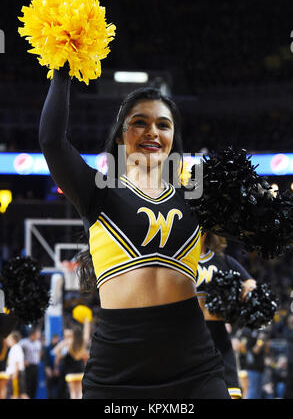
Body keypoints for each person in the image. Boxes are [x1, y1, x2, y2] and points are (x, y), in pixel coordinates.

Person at [39, 65, 231, 399]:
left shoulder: (198, 196)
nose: (152, 132)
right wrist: (61, 72)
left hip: (193, 365)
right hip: (117, 368)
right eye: (139, 122)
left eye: (163, 124)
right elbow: (51, 142)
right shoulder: (96, 191)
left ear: (173, 138)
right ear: (119, 135)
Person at [196, 231, 257, 399]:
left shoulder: (223, 260)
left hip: (217, 336)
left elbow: (251, 283)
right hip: (187, 334)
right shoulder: (178, 261)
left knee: (231, 392)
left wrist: (248, 289)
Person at [53, 321, 90, 399]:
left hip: (70, 371)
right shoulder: (82, 342)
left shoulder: (68, 341)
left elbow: (55, 351)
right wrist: (87, 321)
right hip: (80, 370)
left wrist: (60, 356)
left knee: (72, 393)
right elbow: (87, 335)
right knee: (80, 392)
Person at [19, 327, 42, 399]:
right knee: (27, 385)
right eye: (37, 334)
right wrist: (22, 361)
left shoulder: (38, 343)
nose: (39, 335)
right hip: (28, 366)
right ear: (33, 334)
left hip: (35, 366)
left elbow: (40, 352)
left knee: (34, 385)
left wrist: (39, 359)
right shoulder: (24, 342)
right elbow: (17, 350)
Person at [5, 331, 28, 399]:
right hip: (15, 373)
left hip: (16, 374)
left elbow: (17, 362)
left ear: (13, 340)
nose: (7, 340)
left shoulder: (16, 348)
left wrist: (15, 373)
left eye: (9, 339)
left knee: (17, 395)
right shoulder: (13, 348)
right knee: (18, 394)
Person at [43, 333, 60, 399]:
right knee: (49, 390)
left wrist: (57, 369)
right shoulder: (47, 348)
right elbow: (45, 360)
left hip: (58, 371)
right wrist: (48, 369)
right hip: (49, 370)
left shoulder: (60, 346)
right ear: (52, 339)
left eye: (57, 339)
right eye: (55, 339)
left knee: (59, 389)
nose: (56, 340)